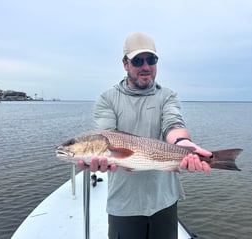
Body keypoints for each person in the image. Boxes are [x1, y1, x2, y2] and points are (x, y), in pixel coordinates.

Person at [78, 32, 212, 239]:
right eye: (138, 61)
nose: (146, 66)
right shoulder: (107, 99)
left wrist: (183, 143)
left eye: (151, 60)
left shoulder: (167, 96)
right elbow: (107, 136)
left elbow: (173, 124)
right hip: (124, 203)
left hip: (164, 200)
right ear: (125, 63)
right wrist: (93, 157)